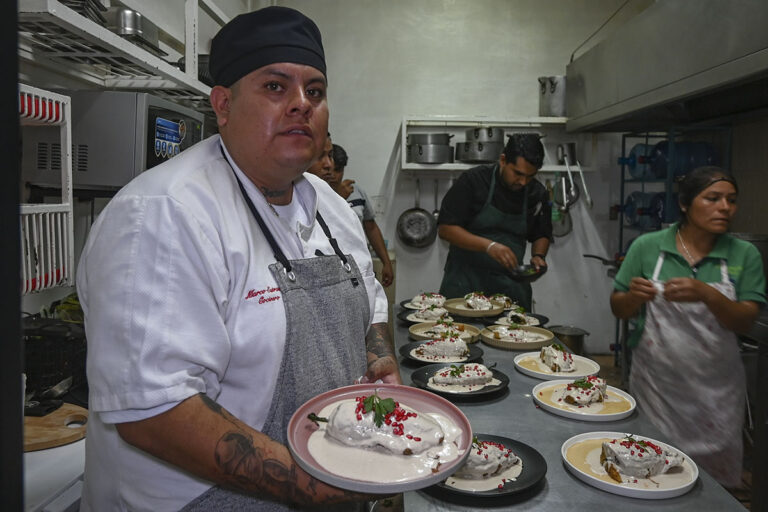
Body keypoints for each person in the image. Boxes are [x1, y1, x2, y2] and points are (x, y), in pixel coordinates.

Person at [76, 6, 400, 511]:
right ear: (222, 105)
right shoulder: (164, 214)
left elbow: (372, 300)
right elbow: (153, 413)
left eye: (315, 91)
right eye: (276, 87)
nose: (301, 104)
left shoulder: (332, 206)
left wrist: (381, 367)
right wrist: (317, 487)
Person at [610, 166, 766, 488]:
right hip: (657, 389)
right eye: (713, 198)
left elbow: (746, 319)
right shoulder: (648, 246)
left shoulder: (744, 254)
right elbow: (618, 307)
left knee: (712, 489)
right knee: (648, 474)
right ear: (685, 204)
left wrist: (707, 294)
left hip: (716, 397)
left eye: (731, 200)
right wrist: (633, 298)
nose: (725, 207)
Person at [437, 133, 552, 310]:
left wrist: (539, 256)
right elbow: (445, 229)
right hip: (464, 283)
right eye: (518, 174)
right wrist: (488, 246)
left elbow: (541, 232)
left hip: (510, 288)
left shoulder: (536, 193)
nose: (523, 182)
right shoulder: (473, 181)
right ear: (503, 160)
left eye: (530, 176)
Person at [308, 141, 394, 287]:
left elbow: (371, 227)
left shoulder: (357, 192)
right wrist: (339, 198)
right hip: (328, 268)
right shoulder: (311, 194)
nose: (332, 174)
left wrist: (386, 262)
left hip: (357, 264)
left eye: (338, 170)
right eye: (331, 169)